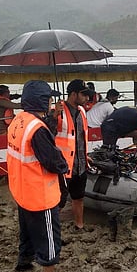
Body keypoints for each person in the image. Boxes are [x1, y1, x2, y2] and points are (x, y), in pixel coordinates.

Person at [7, 80, 68, 272]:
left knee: (27, 231)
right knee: (49, 236)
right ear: (43, 101)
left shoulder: (19, 121)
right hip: (40, 194)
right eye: (50, 99)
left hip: (21, 190)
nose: (52, 102)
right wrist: (63, 162)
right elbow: (52, 162)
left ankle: (24, 264)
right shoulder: (37, 129)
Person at [53, 79, 93, 230]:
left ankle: (79, 225)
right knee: (59, 200)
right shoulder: (58, 111)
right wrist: (53, 115)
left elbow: (81, 137)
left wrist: (84, 155)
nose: (87, 98)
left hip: (80, 164)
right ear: (73, 94)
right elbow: (48, 133)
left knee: (79, 197)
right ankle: (53, 229)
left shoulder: (82, 111)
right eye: (84, 95)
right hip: (64, 166)